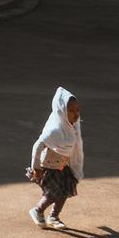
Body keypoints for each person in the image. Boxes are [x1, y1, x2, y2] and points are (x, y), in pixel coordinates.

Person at [27, 87, 85, 230]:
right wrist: (36, 167)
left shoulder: (72, 127)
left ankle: (54, 216)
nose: (76, 114)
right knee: (53, 193)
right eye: (71, 111)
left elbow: (76, 147)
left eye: (77, 110)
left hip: (63, 167)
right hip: (48, 168)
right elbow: (37, 146)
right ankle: (38, 210)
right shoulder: (55, 129)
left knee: (64, 192)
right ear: (61, 111)